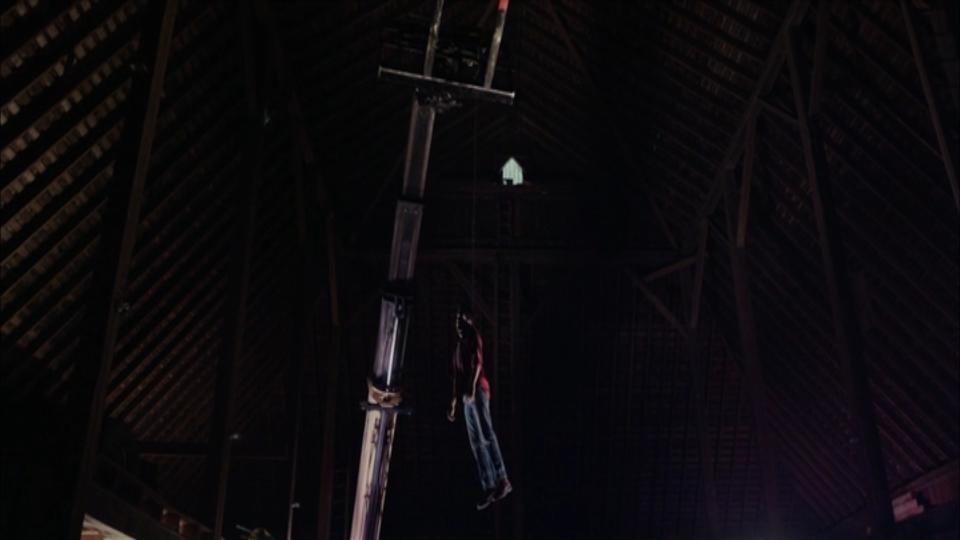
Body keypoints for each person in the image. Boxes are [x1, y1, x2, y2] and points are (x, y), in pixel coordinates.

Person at [447, 309, 512, 510]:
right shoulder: (458, 348)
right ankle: (489, 485)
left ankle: (502, 479)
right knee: (476, 442)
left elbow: (477, 364)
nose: (457, 324)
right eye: (455, 320)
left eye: (460, 320)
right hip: (467, 398)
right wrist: (454, 402)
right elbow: (457, 377)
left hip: (478, 391)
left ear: (467, 321)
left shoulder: (473, 336)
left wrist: (473, 388)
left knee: (486, 433)